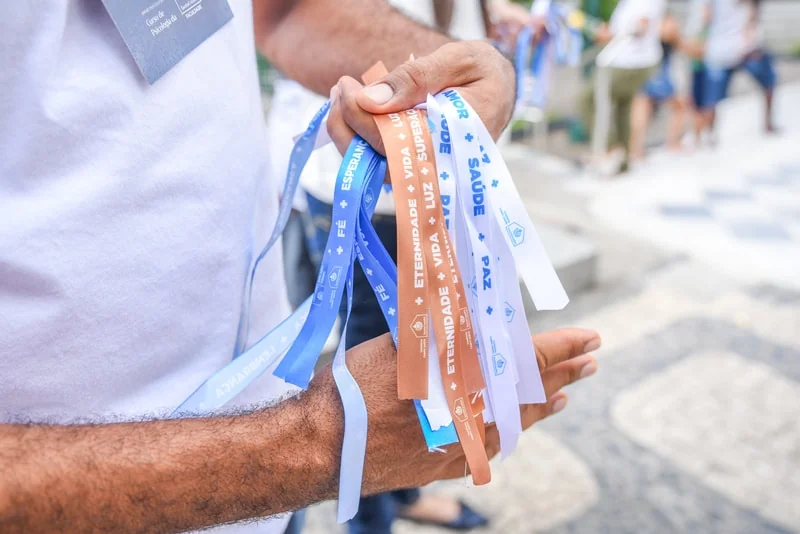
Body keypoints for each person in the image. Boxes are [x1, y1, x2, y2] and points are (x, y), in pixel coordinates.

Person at [0, 1, 601, 533]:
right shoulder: (307, 447)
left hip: (267, 462)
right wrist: (319, 445)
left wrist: (444, 79)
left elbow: (281, 11)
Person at [580, 0, 668, 175]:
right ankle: (623, 160)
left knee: (587, 99)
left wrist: (613, 35)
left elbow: (641, 25)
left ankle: (612, 149)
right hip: (625, 59)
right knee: (623, 107)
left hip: (632, 61)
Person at [693, 0, 778, 136]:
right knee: (769, 84)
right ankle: (768, 125)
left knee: (712, 99)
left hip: (721, 49)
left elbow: (705, 18)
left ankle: (709, 135)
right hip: (743, 48)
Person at [629, 14, 689, 160]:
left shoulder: (650, 19)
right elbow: (670, 34)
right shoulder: (658, 20)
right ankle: (671, 143)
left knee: (643, 109)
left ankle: (636, 149)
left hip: (648, 69)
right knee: (645, 109)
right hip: (657, 71)